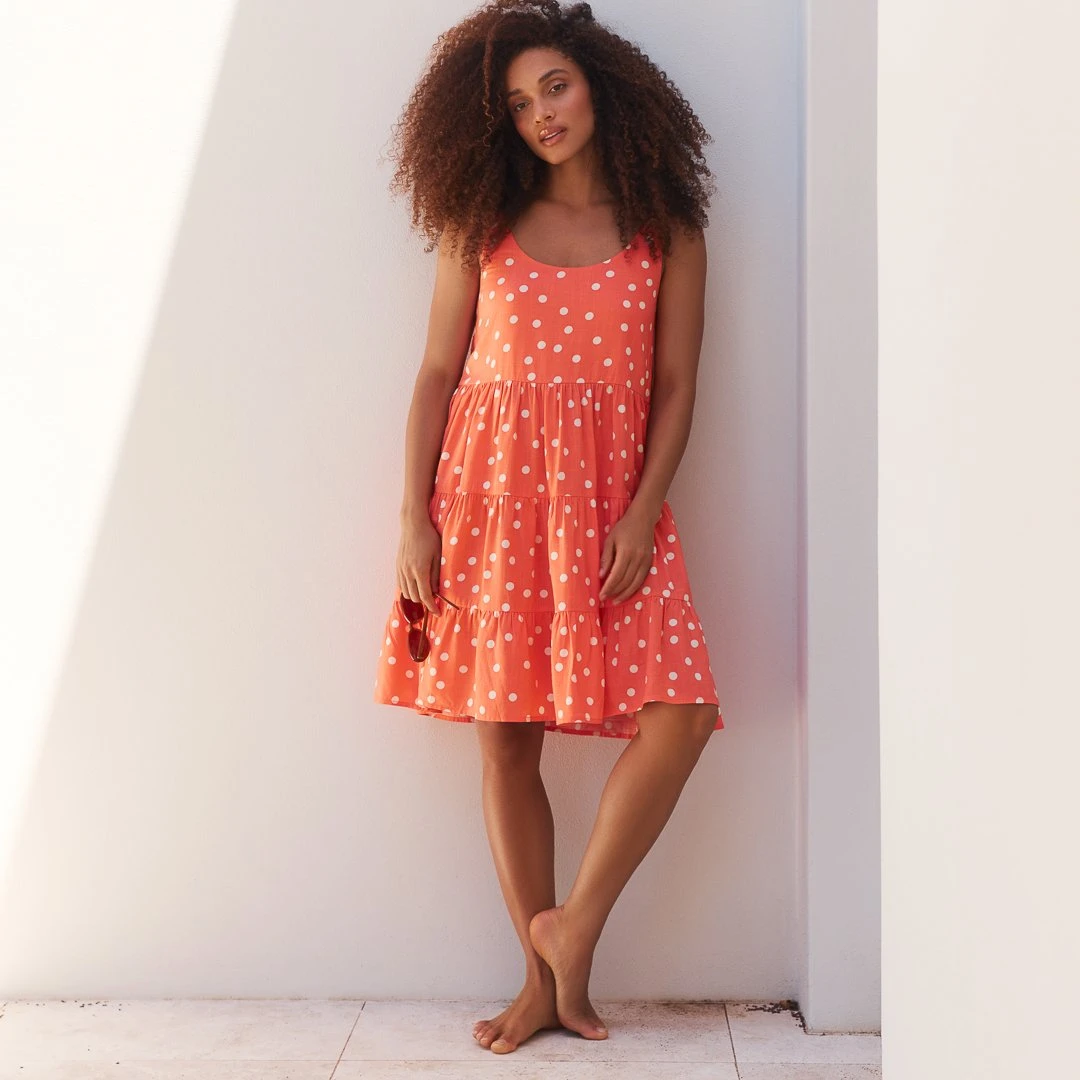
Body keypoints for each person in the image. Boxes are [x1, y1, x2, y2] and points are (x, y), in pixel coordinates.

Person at [373, 0, 725, 1055]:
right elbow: (437, 372)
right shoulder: (478, 224)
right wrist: (413, 516)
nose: (543, 114)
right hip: (488, 500)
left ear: (601, 83)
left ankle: (574, 929)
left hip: (611, 509)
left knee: (683, 716)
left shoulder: (668, 230)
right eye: (520, 102)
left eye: (555, 86)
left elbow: (676, 386)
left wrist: (644, 509)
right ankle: (543, 989)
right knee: (506, 736)